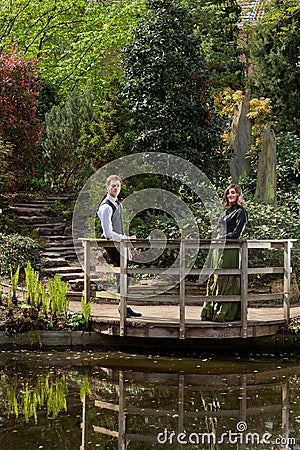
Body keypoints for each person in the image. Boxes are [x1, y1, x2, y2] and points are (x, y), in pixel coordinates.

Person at [201, 184, 248, 322]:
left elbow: (236, 233)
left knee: (227, 279)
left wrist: (221, 239)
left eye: (232, 193)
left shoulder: (241, 212)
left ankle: (226, 313)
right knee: (215, 278)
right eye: (228, 193)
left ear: (238, 194)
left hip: (230, 249)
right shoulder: (226, 211)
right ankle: (211, 312)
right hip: (219, 248)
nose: (230, 195)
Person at [97, 175, 142, 318]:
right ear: (107, 187)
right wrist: (126, 239)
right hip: (112, 244)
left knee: (125, 275)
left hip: (121, 243)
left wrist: (127, 247)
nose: (116, 188)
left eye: (118, 186)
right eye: (113, 186)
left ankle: (124, 306)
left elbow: (121, 229)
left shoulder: (118, 204)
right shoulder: (105, 207)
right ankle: (122, 307)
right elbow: (108, 233)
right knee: (122, 275)